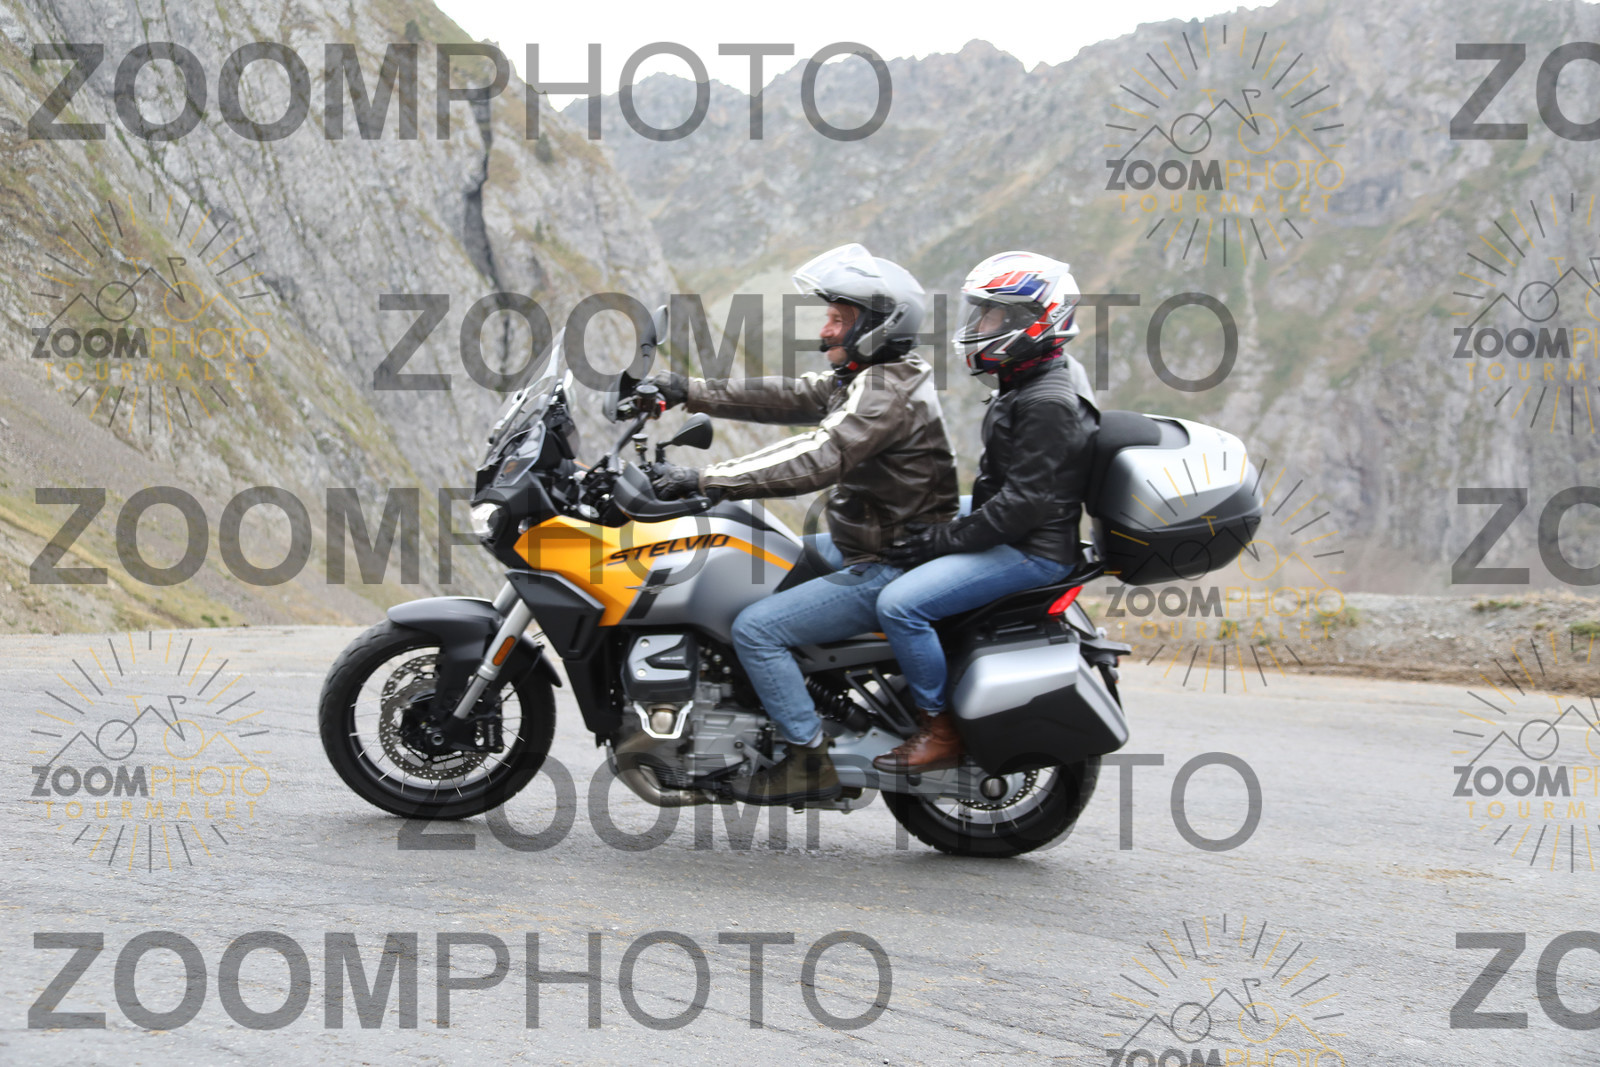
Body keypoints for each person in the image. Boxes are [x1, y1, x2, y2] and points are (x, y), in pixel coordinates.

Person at [636, 244, 958, 803]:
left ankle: (807, 756)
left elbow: (818, 456)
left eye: (838, 319)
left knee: (756, 629)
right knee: (749, 557)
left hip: (889, 560)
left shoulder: (884, 392)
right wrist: (688, 389)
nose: (825, 332)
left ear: (878, 327)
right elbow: (791, 396)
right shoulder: (873, 376)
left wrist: (706, 479)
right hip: (865, 540)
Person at [871, 251, 1099, 773]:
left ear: (1032, 320)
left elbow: (1023, 506)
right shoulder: (1033, 376)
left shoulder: (1045, 401)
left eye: (992, 314)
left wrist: (942, 540)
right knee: (906, 517)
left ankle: (939, 729)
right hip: (1024, 524)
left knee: (900, 606)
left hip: (1033, 550)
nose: (979, 325)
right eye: (980, 312)